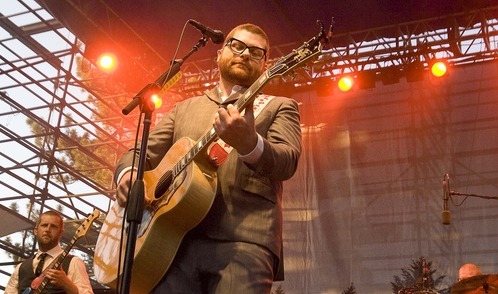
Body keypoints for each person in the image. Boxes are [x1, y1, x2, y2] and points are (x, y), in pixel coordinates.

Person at [114, 23, 302, 293]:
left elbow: (287, 160)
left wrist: (250, 143)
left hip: (246, 241)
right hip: (172, 243)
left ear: (265, 64)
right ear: (220, 53)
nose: (245, 54)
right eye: (237, 45)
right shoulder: (183, 109)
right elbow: (139, 154)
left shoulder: (280, 106)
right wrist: (129, 175)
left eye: (256, 52)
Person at [5, 211, 94, 294]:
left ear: (61, 233)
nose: (48, 229)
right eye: (44, 225)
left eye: (53, 226)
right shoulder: (21, 268)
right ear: (36, 231)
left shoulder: (74, 262)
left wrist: (69, 286)